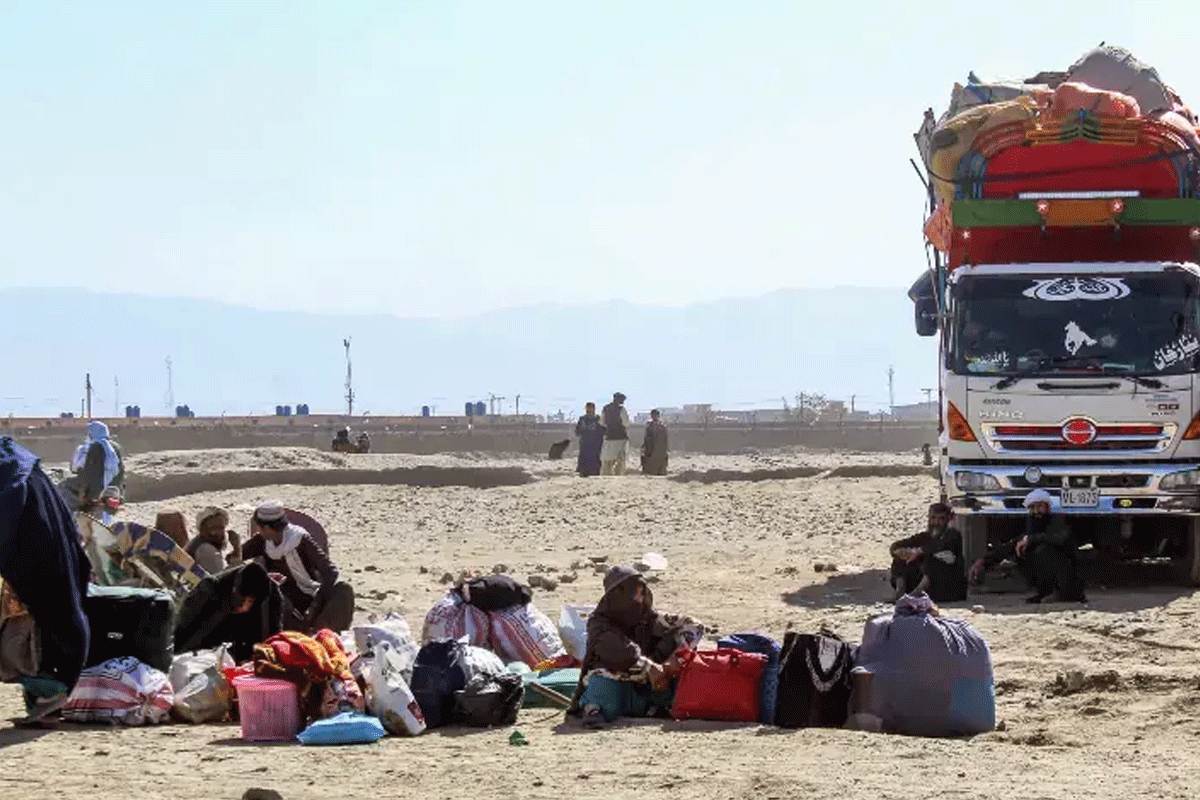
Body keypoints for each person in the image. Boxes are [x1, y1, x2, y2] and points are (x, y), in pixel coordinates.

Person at [0, 437, 91, 724]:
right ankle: (48, 702)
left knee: (41, 628)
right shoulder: (19, 465)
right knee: (56, 621)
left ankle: (49, 698)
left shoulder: (8, 473)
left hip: (33, 557)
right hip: (52, 553)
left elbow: (6, 517)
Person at [568, 565, 692, 728]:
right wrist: (649, 667)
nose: (640, 597)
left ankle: (656, 706)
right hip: (616, 686)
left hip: (652, 686)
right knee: (600, 680)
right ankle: (594, 710)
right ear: (619, 595)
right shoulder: (598, 623)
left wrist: (673, 659)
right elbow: (619, 651)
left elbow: (691, 626)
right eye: (635, 591)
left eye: (642, 591)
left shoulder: (649, 617)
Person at [241, 501, 355, 633]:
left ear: (267, 527)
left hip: (313, 597)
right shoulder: (261, 541)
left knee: (344, 589)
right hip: (287, 603)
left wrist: (315, 606)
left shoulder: (301, 539)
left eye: (259, 527)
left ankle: (322, 632)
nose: (258, 531)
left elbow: (330, 572)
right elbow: (237, 557)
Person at [969, 489, 1087, 604]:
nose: (1037, 511)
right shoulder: (1032, 524)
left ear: (1047, 507)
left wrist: (1030, 540)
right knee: (1022, 551)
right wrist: (983, 561)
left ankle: (1062, 593)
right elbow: (1010, 546)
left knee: (1042, 551)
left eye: (1040, 506)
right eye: (1033, 508)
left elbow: (1058, 539)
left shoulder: (1057, 521)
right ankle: (1044, 592)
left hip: (1068, 578)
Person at [173, 562, 284, 663]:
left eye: (250, 601)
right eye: (240, 600)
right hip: (198, 646)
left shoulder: (271, 602)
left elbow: (270, 644)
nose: (243, 606)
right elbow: (183, 630)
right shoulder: (210, 589)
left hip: (235, 655)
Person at [888, 503, 968, 603]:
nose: (936, 522)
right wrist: (901, 552)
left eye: (941, 519)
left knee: (930, 560)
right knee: (900, 560)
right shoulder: (925, 537)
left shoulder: (953, 535)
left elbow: (938, 546)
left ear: (947, 519)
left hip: (948, 588)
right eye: (933, 518)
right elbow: (897, 545)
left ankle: (915, 595)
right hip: (930, 588)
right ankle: (900, 594)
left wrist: (919, 551)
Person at [60, 420, 125, 523]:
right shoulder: (116, 447)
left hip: (95, 490)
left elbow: (89, 473)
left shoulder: (94, 447)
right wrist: (119, 492)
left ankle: (69, 518)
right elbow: (121, 471)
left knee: (63, 486)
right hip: (113, 489)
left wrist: (82, 492)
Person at [186, 507, 242, 576]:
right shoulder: (205, 549)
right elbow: (223, 578)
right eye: (213, 528)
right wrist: (237, 549)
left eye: (221, 528)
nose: (218, 533)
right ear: (202, 530)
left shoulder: (200, 543)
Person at [600, 393, 631, 476]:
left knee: (607, 459)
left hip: (609, 436)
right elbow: (626, 423)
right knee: (620, 460)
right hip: (620, 437)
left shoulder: (605, 408)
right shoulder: (621, 410)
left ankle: (606, 474)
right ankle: (618, 474)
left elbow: (602, 422)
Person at [574, 402, 606, 477]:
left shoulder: (598, 419)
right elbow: (577, 431)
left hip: (596, 444)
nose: (590, 410)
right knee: (584, 460)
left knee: (595, 460)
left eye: (591, 408)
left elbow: (604, 430)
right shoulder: (582, 419)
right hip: (585, 444)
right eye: (588, 408)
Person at [640, 409, 669, 475]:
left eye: (655, 415)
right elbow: (647, 438)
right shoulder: (649, 426)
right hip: (651, 449)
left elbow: (665, 438)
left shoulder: (662, 426)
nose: (654, 417)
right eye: (653, 415)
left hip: (659, 449)